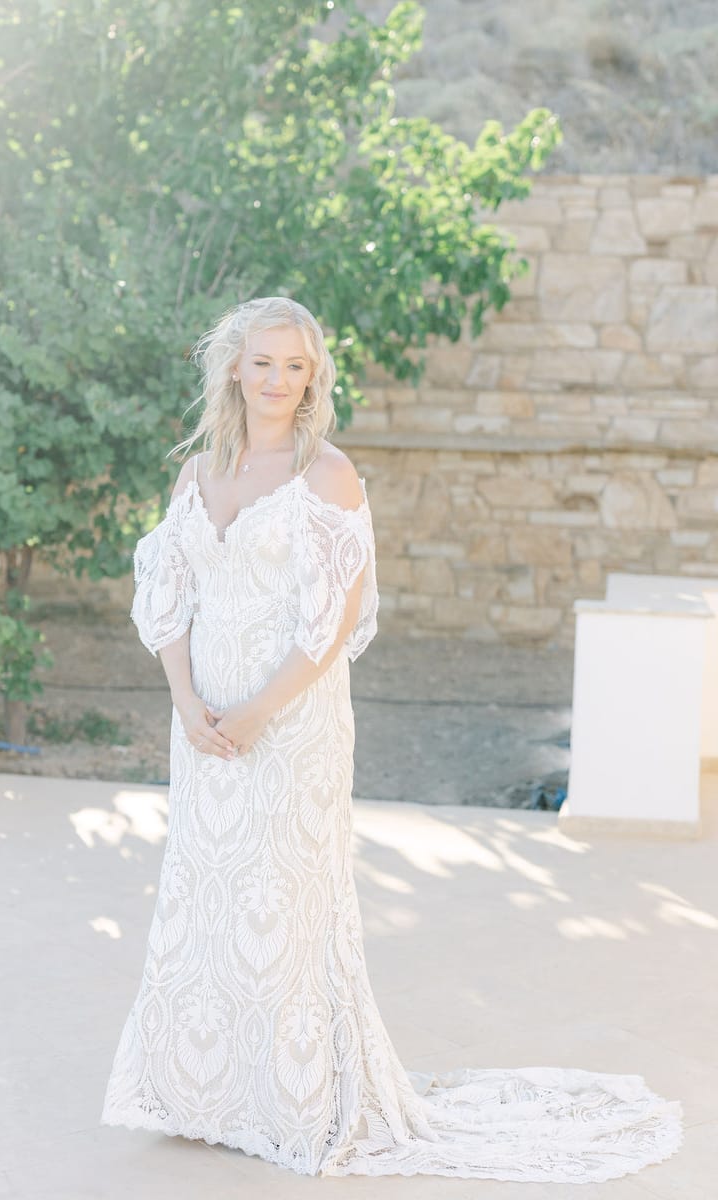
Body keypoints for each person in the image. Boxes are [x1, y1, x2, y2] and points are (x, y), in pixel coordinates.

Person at [100, 296, 684, 1181]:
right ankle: (204, 1091)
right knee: (207, 894)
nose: (280, 381)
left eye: (297, 367)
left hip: (290, 725)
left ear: (313, 377)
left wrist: (258, 710)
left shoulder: (327, 474)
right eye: (265, 363)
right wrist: (187, 701)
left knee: (286, 902)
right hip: (204, 727)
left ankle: (297, 1101)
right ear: (233, 367)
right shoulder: (196, 474)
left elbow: (329, 623)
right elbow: (170, 596)